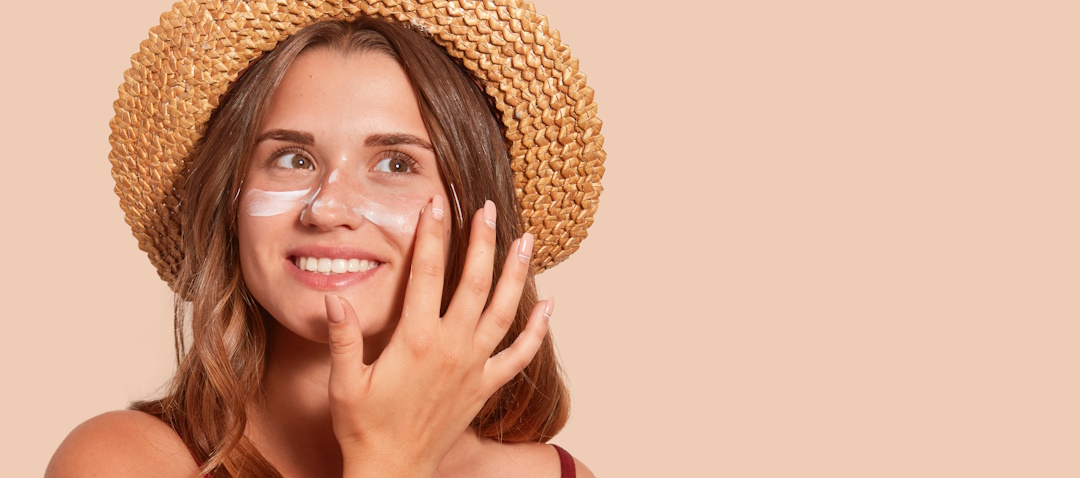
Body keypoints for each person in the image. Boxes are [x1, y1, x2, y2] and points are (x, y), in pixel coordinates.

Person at [46, 1, 605, 477]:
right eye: (292, 159)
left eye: (395, 163)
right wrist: (389, 460)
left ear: (476, 214)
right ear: (231, 205)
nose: (328, 207)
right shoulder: (121, 460)